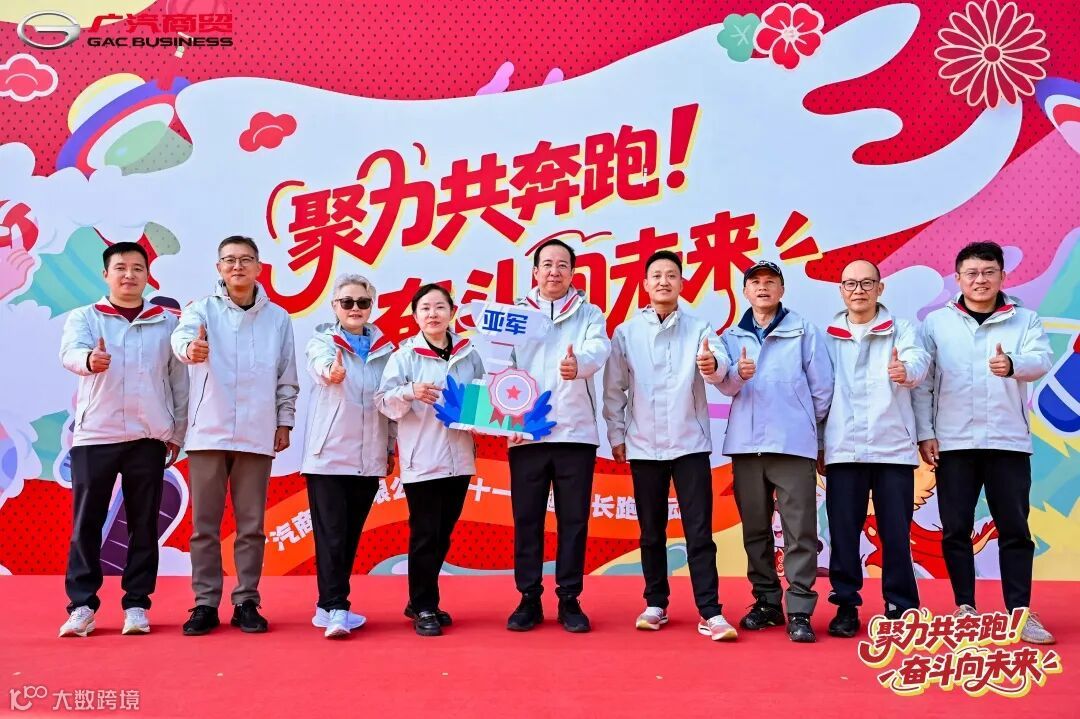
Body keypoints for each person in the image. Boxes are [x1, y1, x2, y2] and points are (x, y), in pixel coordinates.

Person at [914, 241, 1055, 644]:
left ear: (1002, 276)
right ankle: (965, 609)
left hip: (1007, 442)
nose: (980, 280)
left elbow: (1042, 360)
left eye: (989, 272)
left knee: (1015, 529)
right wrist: (925, 433)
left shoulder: (1024, 320)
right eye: (972, 273)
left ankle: (1020, 613)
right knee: (955, 529)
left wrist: (1013, 365)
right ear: (958, 278)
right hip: (954, 443)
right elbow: (924, 385)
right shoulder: (936, 323)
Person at [603, 250, 738, 641]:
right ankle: (655, 604)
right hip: (643, 445)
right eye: (657, 275)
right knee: (651, 531)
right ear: (645, 284)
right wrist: (616, 435)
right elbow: (614, 389)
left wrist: (713, 367)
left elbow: (719, 366)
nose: (664, 281)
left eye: (671, 275)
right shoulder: (627, 332)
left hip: (689, 443)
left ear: (681, 283)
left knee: (699, 531)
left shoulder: (699, 328)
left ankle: (710, 611)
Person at [57, 242, 188, 637]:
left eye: (137, 268)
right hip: (96, 433)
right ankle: (82, 606)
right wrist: (88, 361)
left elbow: (178, 382)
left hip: (148, 436)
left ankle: (136, 604)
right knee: (87, 523)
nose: (129, 275)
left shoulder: (166, 323)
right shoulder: (85, 317)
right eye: (121, 268)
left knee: (143, 524)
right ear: (106, 274)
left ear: (148, 275)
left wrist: (176, 431)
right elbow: (70, 353)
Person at [171, 236, 298, 636]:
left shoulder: (278, 318)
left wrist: (284, 421)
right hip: (208, 432)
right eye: (229, 260)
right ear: (219, 268)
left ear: (259, 267)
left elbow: (286, 375)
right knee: (204, 527)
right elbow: (181, 340)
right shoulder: (201, 310)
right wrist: (190, 349)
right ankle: (205, 603)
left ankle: (246, 600)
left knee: (251, 526)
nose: (237, 267)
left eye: (245, 260)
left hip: (257, 433)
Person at [717, 260, 833, 643]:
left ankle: (799, 608)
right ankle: (766, 602)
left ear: (782, 289)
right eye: (755, 282)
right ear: (745, 291)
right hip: (746, 446)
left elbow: (822, 390)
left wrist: (805, 427)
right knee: (755, 529)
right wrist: (736, 375)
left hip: (792, 444)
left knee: (800, 530)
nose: (763, 288)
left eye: (770, 282)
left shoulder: (803, 331)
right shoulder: (731, 337)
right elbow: (725, 385)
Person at [505, 239, 611, 633]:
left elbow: (598, 349)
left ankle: (569, 598)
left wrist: (578, 363)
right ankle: (528, 598)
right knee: (527, 519)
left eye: (562, 265)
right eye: (547, 264)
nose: (554, 271)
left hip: (575, 433)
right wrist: (510, 421)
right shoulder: (515, 315)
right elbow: (501, 367)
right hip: (527, 434)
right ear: (535, 272)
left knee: (574, 520)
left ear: (572, 272)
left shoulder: (589, 313)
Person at [821, 260, 928, 638]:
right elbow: (819, 394)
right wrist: (818, 444)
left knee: (896, 533)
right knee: (843, 533)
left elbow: (918, 362)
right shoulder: (827, 337)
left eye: (867, 283)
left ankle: (901, 605)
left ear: (880, 289)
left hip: (892, 449)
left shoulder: (903, 330)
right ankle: (846, 605)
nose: (859, 290)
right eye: (850, 284)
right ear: (841, 290)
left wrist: (906, 371)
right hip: (843, 450)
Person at [376, 284, 485, 637]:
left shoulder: (469, 354)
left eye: (440, 307)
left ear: (452, 312)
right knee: (425, 534)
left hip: (460, 459)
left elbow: (482, 399)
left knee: (442, 534)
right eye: (425, 308)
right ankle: (423, 604)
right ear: (414, 315)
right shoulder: (404, 356)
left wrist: (491, 417)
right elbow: (384, 401)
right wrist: (410, 392)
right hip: (422, 458)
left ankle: (422, 601)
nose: (433, 314)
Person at [301, 274, 395, 639]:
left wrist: (389, 449)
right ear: (334, 306)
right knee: (332, 536)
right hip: (329, 455)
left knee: (349, 535)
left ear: (372, 306)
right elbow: (320, 365)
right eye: (347, 302)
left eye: (362, 302)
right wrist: (332, 371)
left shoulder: (386, 350)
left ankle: (326, 607)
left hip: (369, 458)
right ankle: (338, 607)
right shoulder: (323, 342)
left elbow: (388, 406)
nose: (355, 308)